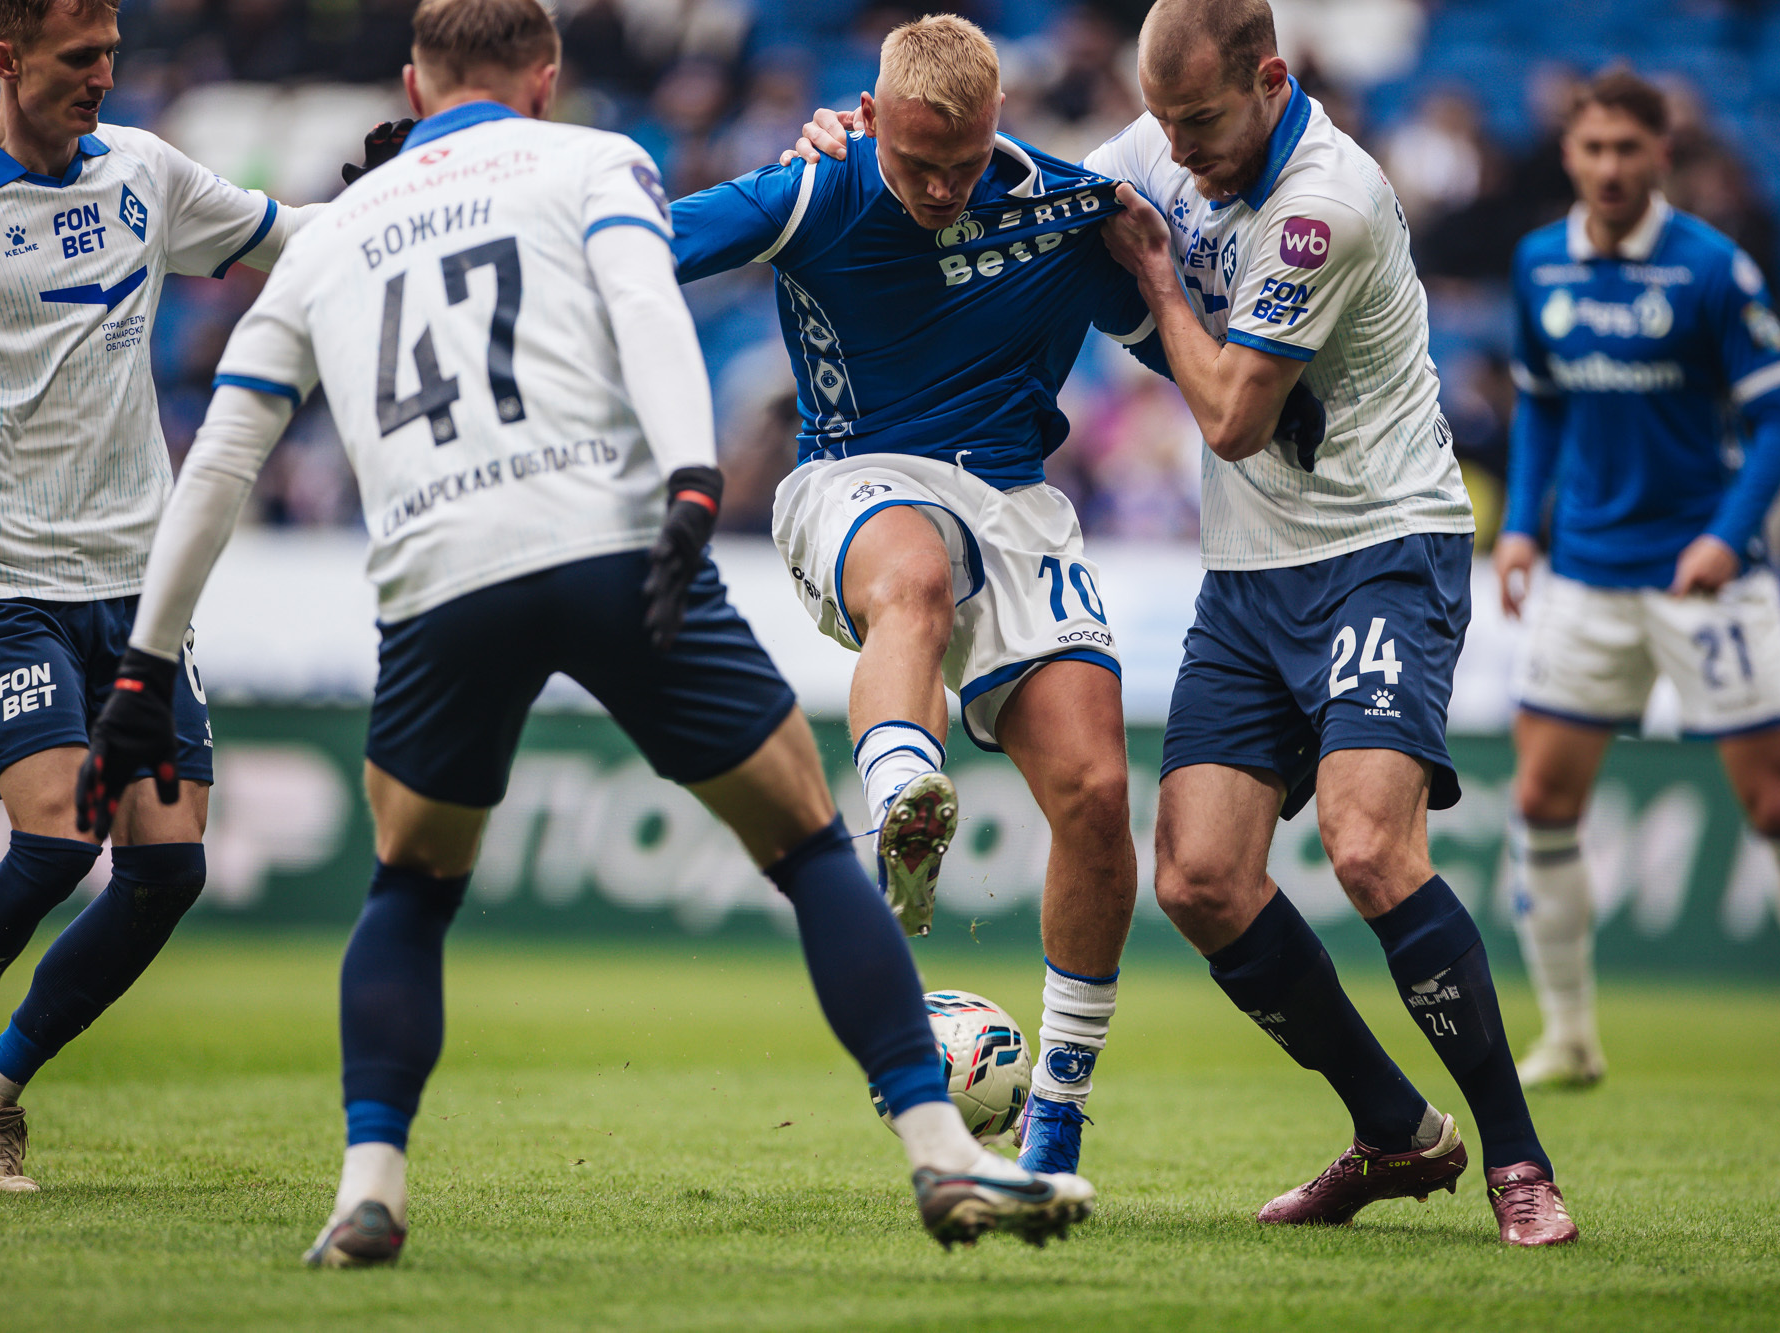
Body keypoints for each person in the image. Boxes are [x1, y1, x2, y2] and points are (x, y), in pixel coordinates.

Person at [77, 0, 1092, 1265]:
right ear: (547, 79)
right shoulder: (591, 162)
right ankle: (941, 1156)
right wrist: (687, 485)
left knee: (407, 885)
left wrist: (143, 665)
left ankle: (368, 1187)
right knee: (810, 849)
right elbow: (651, 312)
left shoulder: (340, 234)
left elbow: (225, 451)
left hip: (440, 569)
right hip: (615, 543)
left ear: (408, 79)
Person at [1093, 0, 1576, 1247]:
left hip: (1381, 550)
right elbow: (1031, 195)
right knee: (1199, 877)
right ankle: (1394, 1133)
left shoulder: (1330, 200)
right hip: (1247, 574)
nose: (1177, 151)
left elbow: (1233, 418)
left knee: (1369, 849)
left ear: (1271, 78)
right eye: (1159, 122)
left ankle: (1519, 1159)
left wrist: (1150, 278)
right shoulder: (1166, 139)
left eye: (1198, 121)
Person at [677, 13, 1170, 1178]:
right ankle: (903, 787)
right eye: (912, 162)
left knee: (1097, 794)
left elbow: (1166, 344)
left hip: (1013, 501)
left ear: (999, 121)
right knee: (913, 579)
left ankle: (1054, 1113)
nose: (940, 186)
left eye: (960, 162)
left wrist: (1152, 261)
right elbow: (634, 241)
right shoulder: (815, 186)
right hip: (854, 479)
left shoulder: (1065, 207)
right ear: (873, 118)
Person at [0, 0, 328, 1191]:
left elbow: (292, 239)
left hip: (138, 584)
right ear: (4, 59)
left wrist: (389, 206)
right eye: (78, 59)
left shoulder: (145, 174)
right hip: (2, 578)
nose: (103, 78)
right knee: (57, 838)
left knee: (168, 868)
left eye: (112, 53)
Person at [1496, 68, 1780, 1106]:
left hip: (1703, 583)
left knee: (1775, 806)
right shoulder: (1538, 265)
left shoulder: (1712, 271)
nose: (1608, 166)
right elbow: (1540, 409)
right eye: (1592, 148)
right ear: (1568, 155)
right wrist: (1521, 525)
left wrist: (1724, 537)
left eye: (1627, 148)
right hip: (1584, 574)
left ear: (1660, 155)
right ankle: (1568, 1033)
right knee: (1537, 798)